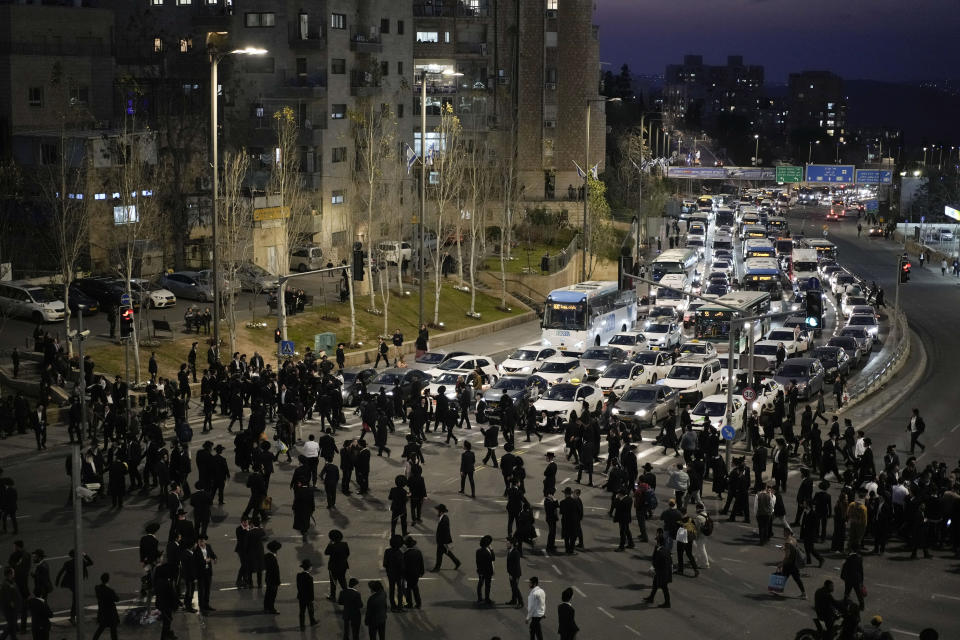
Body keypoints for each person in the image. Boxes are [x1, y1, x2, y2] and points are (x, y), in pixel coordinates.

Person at [644, 532, 672, 608]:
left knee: (664, 587)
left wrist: (653, 568)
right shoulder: (664, 549)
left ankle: (667, 603)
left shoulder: (660, 551)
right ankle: (651, 598)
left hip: (662, 572)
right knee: (655, 584)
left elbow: (658, 562)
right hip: (664, 571)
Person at [431, 504, 461, 571]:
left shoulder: (444, 520)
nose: (437, 512)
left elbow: (446, 532)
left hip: (442, 541)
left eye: (438, 511)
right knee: (446, 553)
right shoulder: (443, 518)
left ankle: (437, 568)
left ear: (441, 512)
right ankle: (457, 562)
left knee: (440, 554)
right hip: (442, 541)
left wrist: (445, 542)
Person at [91, 573, 119, 640]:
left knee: (101, 628)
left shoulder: (98, 589)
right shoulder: (110, 591)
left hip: (102, 611)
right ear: (108, 580)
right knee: (113, 630)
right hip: (111, 612)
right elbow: (117, 599)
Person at [296, 558, 318, 629]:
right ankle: (312, 621)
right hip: (308, 598)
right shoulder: (310, 577)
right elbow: (311, 590)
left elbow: (298, 586)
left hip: (301, 597)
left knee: (302, 612)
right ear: (309, 568)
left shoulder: (299, 575)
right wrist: (312, 599)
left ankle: (302, 625)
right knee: (310, 610)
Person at [475, 535, 495, 605]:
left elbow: (477, 562)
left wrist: (479, 571)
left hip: (481, 571)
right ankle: (487, 599)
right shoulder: (487, 553)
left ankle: (479, 598)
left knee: (480, 584)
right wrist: (492, 550)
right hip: (488, 572)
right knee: (487, 585)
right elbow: (493, 558)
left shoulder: (478, 551)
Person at [263, 539, 281, 614]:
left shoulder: (267, 556)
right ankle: (271, 608)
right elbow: (275, 571)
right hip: (273, 580)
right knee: (272, 595)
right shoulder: (272, 558)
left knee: (268, 594)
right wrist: (278, 581)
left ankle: (266, 607)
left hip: (268, 578)